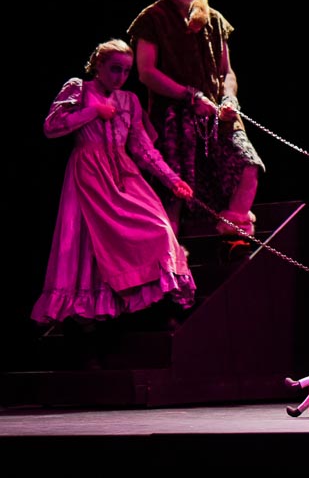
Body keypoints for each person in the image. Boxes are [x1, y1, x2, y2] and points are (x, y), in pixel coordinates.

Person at [32, 39, 196, 362]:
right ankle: (89, 327)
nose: (120, 76)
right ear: (99, 65)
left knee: (159, 229)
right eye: (114, 69)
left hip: (122, 171)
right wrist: (92, 112)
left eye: (126, 71)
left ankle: (156, 310)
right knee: (89, 248)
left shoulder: (129, 100)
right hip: (89, 175)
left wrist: (172, 179)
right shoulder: (78, 89)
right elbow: (51, 127)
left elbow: (143, 148)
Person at [127, 0, 264, 238]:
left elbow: (227, 72)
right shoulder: (152, 18)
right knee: (176, 190)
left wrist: (229, 98)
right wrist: (190, 96)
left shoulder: (213, 18)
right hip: (174, 117)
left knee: (249, 166)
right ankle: (170, 255)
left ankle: (233, 233)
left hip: (216, 114)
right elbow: (146, 72)